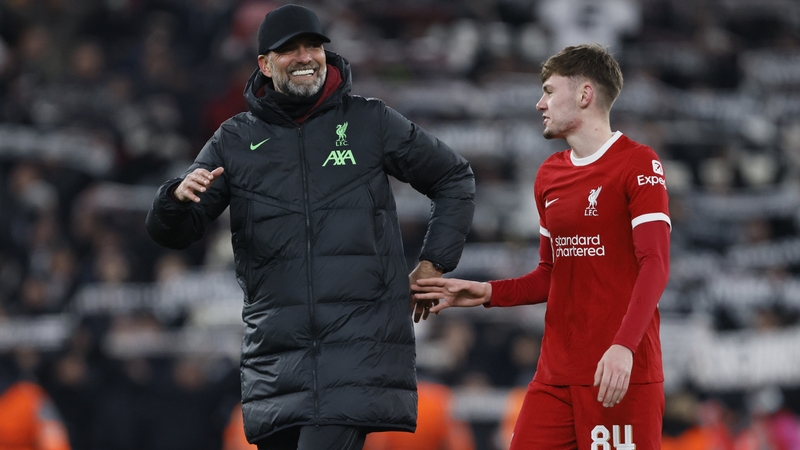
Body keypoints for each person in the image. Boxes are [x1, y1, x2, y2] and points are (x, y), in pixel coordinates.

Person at [145, 4, 475, 450]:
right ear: (264, 64)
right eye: (289, 50)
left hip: (356, 350)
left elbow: (453, 178)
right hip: (277, 358)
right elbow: (175, 233)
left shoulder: (369, 121)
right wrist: (173, 200)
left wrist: (434, 262)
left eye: (313, 46)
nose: (305, 57)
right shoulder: (234, 139)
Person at [413, 43, 670, 450]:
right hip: (554, 376)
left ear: (584, 94)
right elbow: (551, 275)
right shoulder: (549, 174)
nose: (539, 103)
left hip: (618, 374)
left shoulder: (638, 163)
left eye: (549, 91)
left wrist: (623, 348)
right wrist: (487, 293)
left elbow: (655, 264)